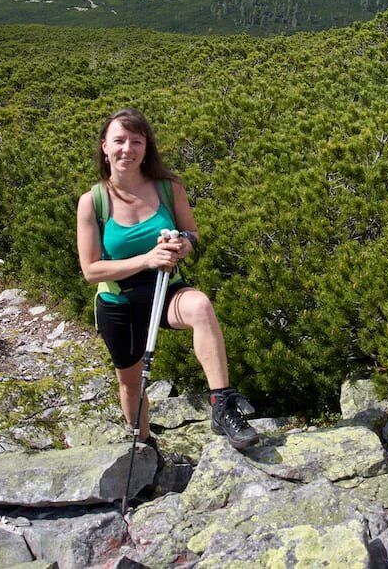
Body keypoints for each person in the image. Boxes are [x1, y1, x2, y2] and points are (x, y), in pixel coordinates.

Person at [76, 107, 258, 450]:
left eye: (136, 141)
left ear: (146, 147)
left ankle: (222, 405)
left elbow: (192, 233)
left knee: (200, 307)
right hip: (118, 300)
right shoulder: (93, 203)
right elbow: (91, 270)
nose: (127, 149)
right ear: (104, 146)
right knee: (131, 384)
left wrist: (182, 243)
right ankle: (145, 445)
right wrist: (147, 258)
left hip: (164, 289)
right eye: (119, 140)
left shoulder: (167, 188)